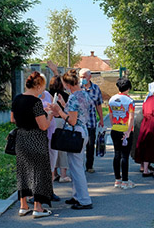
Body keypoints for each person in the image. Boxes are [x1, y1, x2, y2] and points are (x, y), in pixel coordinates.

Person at [11, 72, 54, 218]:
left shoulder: (17, 99)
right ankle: (38, 208)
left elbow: (13, 119)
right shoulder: (36, 102)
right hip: (36, 139)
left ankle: (23, 206)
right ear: (38, 85)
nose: (43, 89)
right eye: (43, 86)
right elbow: (43, 126)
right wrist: (50, 115)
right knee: (38, 172)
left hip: (21, 138)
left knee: (23, 172)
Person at [50, 69, 93, 210]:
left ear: (69, 84)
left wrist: (59, 110)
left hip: (76, 132)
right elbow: (78, 113)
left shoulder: (74, 97)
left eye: (64, 84)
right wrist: (63, 105)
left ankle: (84, 200)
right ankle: (77, 196)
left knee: (76, 169)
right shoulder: (84, 94)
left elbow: (72, 120)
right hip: (82, 132)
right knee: (77, 166)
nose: (64, 87)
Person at [108, 78, 136, 189]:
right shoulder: (129, 101)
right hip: (126, 130)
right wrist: (128, 131)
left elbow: (110, 115)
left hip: (115, 129)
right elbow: (131, 117)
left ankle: (117, 180)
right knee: (125, 156)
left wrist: (114, 126)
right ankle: (125, 181)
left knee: (116, 155)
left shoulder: (112, 99)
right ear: (128, 88)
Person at [79, 68, 104, 174]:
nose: (82, 79)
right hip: (79, 122)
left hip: (91, 121)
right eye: (81, 77)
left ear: (89, 77)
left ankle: (89, 165)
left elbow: (98, 104)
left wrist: (101, 119)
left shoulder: (95, 88)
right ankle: (78, 166)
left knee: (90, 145)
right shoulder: (77, 88)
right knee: (79, 145)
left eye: (84, 76)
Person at [48, 75, 71, 183]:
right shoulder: (65, 95)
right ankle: (63, 175)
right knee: (62, 149)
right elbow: (68, 110)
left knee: (52, 148)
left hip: (50, 122)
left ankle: (54, 173)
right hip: (61, 121)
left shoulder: (47, 94)